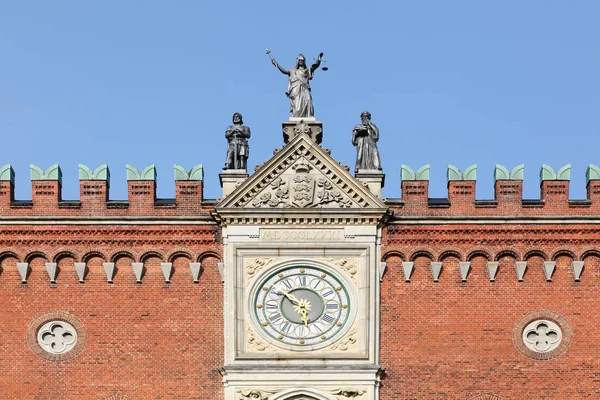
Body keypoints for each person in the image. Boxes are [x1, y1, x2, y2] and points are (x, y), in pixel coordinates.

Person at [268, 51, 323, 118]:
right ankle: (296, 118)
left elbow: (315, 66)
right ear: (297, 61)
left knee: (308, 100)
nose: (301, 61)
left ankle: (309, 117)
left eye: (302, 60)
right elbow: (284, 71)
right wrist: (276, 64)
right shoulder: (292, 70)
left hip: (305, 88)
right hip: (295, 89)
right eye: (299, 60)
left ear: (304, 61)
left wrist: (319, 58)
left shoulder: (307, 70)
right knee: (297, 107)